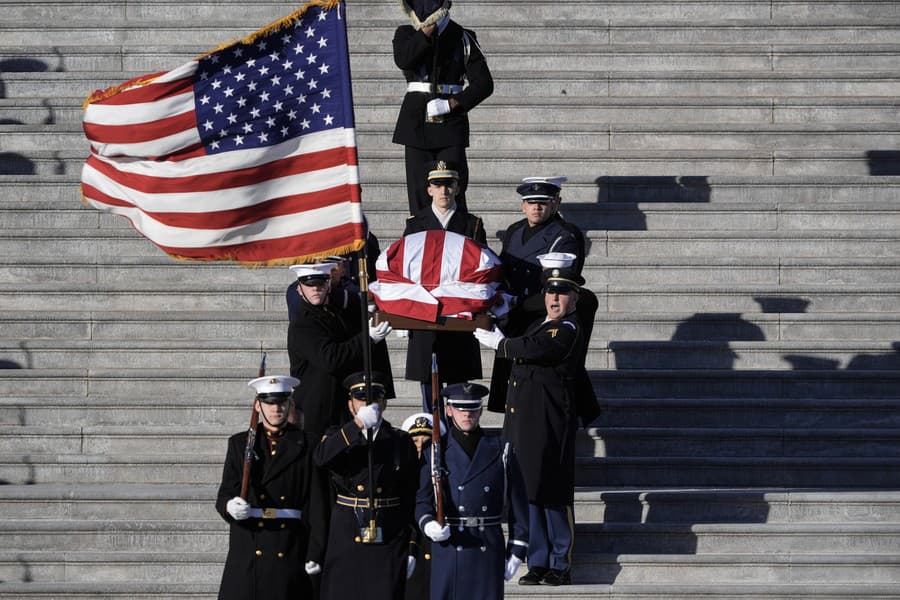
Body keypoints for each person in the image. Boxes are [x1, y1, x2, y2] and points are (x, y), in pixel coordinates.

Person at [473, 260, 599, 586]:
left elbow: (538, 348)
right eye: (550, 293)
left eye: (562, 293)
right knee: (529, 494)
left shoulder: (567, 328)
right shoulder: (538, 325)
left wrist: (500, 344)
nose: (554, 299)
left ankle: (560, 562)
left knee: (552, 494)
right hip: (523, 425)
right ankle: (538, 561)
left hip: (549, 424)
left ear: (575, 297)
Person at [215, 375, 328, 600]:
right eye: (270, 403)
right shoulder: (240, 444)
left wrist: (316, 551)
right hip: (249, 546)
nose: (276, 409)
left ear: (290, 405)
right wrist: (230, 506)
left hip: (289, 544)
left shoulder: (308, 444)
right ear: (258, 406)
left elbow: (317, 503)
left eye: (282, 403)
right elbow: (226, 490)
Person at [416, 382, 529, 599]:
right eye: (460, 408)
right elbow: (422, 500)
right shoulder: (435, 451)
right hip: (449, 547)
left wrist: (517, 548)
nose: (467, 414)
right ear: (448, 410)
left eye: (473, 409)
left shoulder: (501, 448)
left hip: (486, 545)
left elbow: (519, 503)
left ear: (480, 410)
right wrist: (427, 523)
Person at [314, 371, 420, 600]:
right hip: (347, 527)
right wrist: (357, 426)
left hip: (389, 529)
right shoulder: (337, 435)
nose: (368, 404)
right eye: (361, 398)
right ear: (350, 403)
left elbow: (411, 493)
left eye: (374, 398)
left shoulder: (400, 440)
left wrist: (412, 544)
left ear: (383, 402)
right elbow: (321, 458)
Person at [393, 0, 494, 215]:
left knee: (452, 187)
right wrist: (426, 31)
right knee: (420, 191)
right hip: (416, 124)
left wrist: (452, 103)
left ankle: (455, 239)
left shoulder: (462, 36)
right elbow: (404, 60)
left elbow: (484, 83)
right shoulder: (406, 34)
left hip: (450, 123)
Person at [402, 160, 487, 412]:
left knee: (461, 391)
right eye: (437, 185)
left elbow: (483, 269)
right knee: (430, 395)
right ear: (428, 189)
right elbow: (405, 270)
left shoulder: (472, 224)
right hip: (425, 319)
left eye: (448, 184)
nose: (443, 190)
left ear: (458, 188)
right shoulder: (415, 224)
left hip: (460, 318)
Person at [287, 263, 394, 437]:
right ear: (299, 289)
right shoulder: (302, 322)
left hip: (341, 404)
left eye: (321, 284)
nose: (316, 289)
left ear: (329, 285)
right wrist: (367, 339)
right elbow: (331, 359)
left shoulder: (333, 313)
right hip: (317, 410)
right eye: (309, 284)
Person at [499, 176, 585, 302]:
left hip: (540, 306)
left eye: (543, 202)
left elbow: (561, 283)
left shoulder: (564, 235)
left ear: (552, 204)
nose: (536, 207)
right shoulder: (514, 230)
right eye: (531, 202)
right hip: (509, 302)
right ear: (523, 206)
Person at [400, 413, 446, 599]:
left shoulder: (445, 473)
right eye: (415, 440)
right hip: (410, 544)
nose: (420, 445)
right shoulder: (399, 473)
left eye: (426, 441)